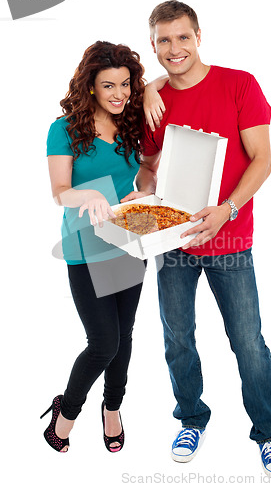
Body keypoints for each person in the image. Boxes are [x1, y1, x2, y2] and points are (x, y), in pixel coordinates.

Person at [123, 0, 271, 479]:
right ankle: (191, 419)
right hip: (172, 242)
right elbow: (149, 171)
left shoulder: (240, 84)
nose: (174, 49)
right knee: (177, 340)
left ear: (199, 37)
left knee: (248, 342)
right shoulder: (152, 102)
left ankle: (269, 433)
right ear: (152, 45)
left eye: (182, 37)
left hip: (229, 239)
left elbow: (262, 160)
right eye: (163, 40)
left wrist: (227, 210)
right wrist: (144, 188)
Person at [41, 41, 150, 453]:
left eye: (125, 84)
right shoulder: (64, 129)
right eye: (109, 86)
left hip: (130, 239)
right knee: (104, 342)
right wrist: (86, 196)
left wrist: (139, 195)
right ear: (91, 87)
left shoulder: (131, 124)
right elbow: (59, 191)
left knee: (125, 335)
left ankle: (113, 407)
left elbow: (144, 182)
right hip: (86, 245)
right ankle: (66, 411)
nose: (119, 93)